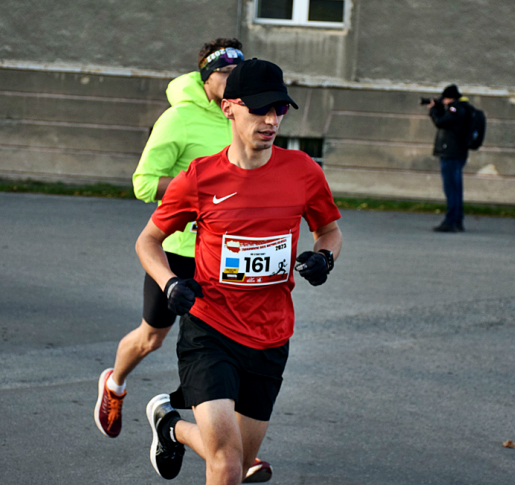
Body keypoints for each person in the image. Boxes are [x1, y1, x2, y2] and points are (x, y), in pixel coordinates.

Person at [136, 59, 343, 484]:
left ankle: (170, 426)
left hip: (270, 336)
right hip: (210, 331)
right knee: (228, 464)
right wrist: (170, 281)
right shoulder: (200, 177)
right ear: (229, 107)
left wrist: (325, 257)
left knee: (239, 460)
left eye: (279, 110)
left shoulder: (303, 171)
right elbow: (148, 241)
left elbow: (329, 231)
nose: (271, 120)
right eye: (260, 109)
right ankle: (179, 428)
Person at [94, 39, 272, 483]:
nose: (232, 85)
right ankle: (114, 383)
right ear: (205, 77)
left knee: (223, 345)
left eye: (239, 77)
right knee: (153, 337)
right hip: (176, 252)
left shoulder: (247, 117)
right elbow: (142, 182)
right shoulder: (179, 118)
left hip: (227, 256)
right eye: (224, 76)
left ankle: (229, 449)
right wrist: (196, 194)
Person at [427, 84, 470, 233]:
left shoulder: (455, 109)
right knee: (456, 188)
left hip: (451, 153)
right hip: (457, 153)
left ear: (449, 98)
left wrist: (433, 110)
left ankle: (451, 221)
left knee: (451, 188)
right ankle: (457, 220)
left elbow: (441, 122)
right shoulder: (461, 108)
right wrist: (439, 108)